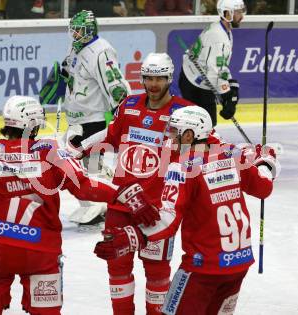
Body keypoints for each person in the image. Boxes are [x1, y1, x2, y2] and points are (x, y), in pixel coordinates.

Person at [0, 95, 155, 315]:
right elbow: (86, 185)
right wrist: (125, 194)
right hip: (40, 252)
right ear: (34, 124)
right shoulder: (50, 151)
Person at [94, 106, 281, 315]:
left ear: (190, 135)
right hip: (239, 263)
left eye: (174, 131)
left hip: (202, 268)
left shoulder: (182, 167)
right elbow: (264, 188)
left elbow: (167, 220)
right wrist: (266, 161)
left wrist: (131, 237)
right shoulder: (232, 154)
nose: (169, 137)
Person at [71, 52, 201, 315]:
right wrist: (81, 148)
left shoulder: (184, 112)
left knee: (157, 273)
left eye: (159, 79)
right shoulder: (129, 104)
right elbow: (110, 135)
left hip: (157, 211)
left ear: (169, 78)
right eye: (148, 78)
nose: (153, 85)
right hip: (120, 205)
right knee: (116, 268)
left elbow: (205, 143)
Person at [62, 9, 131, 225]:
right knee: (84, 163)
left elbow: (115, 84)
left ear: (90, 31)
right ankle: (103, 197)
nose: (75, 35)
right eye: (73, 31)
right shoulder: (77, 47)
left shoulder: (102, 52)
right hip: (76, 117)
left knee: (84, 161)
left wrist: (121, 110)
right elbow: (70, 68)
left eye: (79, 31)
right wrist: (61, 74)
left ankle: (105, 201)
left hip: (93, 118)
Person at [179, 0, 246, 126]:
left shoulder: (221, 28)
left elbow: (220, 66)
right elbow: (213, 74)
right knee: (202, 126)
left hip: (197, 78)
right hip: (194, 84)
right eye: (238, 12)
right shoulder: (218, 38)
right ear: (227, 14)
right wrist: (226, 94)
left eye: (241, 11)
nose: (241, 16)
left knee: (207, 126)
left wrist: (229, 85)